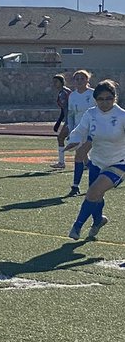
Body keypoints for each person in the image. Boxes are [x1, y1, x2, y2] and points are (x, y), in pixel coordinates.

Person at [64, 79, 125, 241]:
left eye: (108, 99)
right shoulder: (91, 114)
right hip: (97, 162)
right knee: (96, 196)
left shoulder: (122, 116)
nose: (105, 102)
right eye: (100, 99)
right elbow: (80, 131)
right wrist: (74, 140)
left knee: (93, 192)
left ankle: (76, 227)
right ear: (95, 99)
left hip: (118, 163)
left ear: (115, 98)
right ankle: (98, 220)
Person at [63, 70, 94, 197]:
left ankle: (75, 186)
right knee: (82, 156)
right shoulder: (72, 96)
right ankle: (97, 176)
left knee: (79, 155)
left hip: (92, 129)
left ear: (87, 80)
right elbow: (70, 114)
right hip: (78, 130)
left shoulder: (93, 94)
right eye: (77, 79)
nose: (80, 81)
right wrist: (71, 129)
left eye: (82, 78)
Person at [50, 73, 71, 170]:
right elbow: (63, 110)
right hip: (68, 120)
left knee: (61, 138)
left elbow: (68, 108)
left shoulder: (64, 93)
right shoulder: (62, 92)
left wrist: (59, 123)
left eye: (56, 82)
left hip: (71, 121)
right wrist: (58, 123)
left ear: (62, 82)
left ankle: (62, 162)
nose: (54, 84)